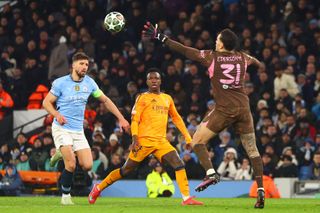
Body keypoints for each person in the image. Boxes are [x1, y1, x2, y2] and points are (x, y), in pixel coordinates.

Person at [143, 23, 265, 208]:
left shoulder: (212, 57)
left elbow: (185, 50)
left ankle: (210, 172)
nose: (215, 42)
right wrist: (254, 65)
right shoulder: (242, 57)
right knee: (252, 150)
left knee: (197, 141)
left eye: (217, 40)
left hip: (225, 109)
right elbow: (257, 62)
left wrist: (162, 37)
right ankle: (261, 190)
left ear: (222, 44)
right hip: (244, 108)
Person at [88, 69, 203, 206]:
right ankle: (98, 188)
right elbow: (135, 120)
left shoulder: (167, 98)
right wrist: (135, 138)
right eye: (151, 78)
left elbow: (177, 118)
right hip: (143, 141)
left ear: (160, 81)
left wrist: (187, 137)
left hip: (161, 141)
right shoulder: (142, 98)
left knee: (178, 164)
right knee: (126, 170)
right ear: (147, 82)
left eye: (157, 78)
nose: (154, 80)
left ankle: (186, 198)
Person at [42, 52, 130, 205]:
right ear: (73, 65)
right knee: (71, 164)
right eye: (81, 64)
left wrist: (121, 118)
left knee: (87, 165)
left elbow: (106, 100)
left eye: (86, 65)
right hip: (61, 128)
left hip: (77, 130)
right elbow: (46, 102)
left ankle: (60, 152)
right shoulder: (60, 83)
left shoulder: (90, 83)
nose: (84, 67)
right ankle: (66, 197)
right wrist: (56, 114)